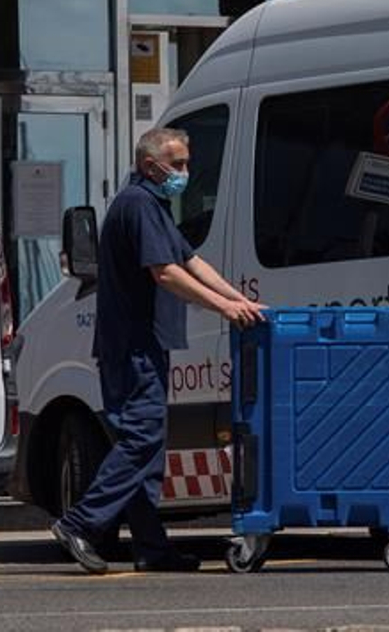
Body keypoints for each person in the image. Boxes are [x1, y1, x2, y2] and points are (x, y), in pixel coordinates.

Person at [51, 126, 265, 574]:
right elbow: (165, 272)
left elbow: (191, 260)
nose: (185, 172)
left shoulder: (152, 205)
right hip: (133, 346)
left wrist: (239, 300)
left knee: (148, 449)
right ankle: (80, 523)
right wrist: (225, 308)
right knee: (141, 440)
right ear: (151, 166)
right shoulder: (138, 205)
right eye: (178, 164)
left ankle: (151, 547)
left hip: (143, 345)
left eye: (187, 163)